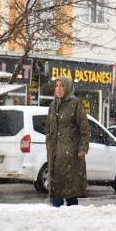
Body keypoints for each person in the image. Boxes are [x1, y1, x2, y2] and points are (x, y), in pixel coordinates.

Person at [46, 75, 89, 207]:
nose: (58, 89)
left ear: (68, 88)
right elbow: (49, 128)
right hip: (55, 153)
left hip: (71, 154)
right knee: (57, 187)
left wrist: (82, 148)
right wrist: (49, 144)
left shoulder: (75, 104)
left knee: (70, 189)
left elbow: (84, 128)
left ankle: (72, 216)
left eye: (62, 86)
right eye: (57, 86)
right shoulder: (53, 106)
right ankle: (57, 214)